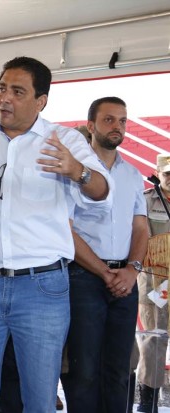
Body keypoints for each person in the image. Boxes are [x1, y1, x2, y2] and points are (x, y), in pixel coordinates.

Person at [0, 56, 111, 412]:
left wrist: (77, 171)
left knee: (40, 400)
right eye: (1, 88)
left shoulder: (63, 140)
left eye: (17, 92)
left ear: (40, 101)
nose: (5, 98)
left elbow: (103, 191)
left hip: (42, 288)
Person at [61, 96, 148, 412]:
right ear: (91, 125)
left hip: (125, 280)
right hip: (83, 277)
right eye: (109, 119)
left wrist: (132, 270)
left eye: (122, 120)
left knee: (119, 370)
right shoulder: (72, 173)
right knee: (83, 370)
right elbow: (65, 231)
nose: (117, 126)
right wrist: (103, 272)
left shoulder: (133, 175)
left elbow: (141, 228)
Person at [136, 153, 170, 413]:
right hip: (156, 281)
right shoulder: (146, 200)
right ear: (158, 173)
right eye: (167, 173)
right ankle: (148, 399)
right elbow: (139, 238)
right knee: (154, 338)